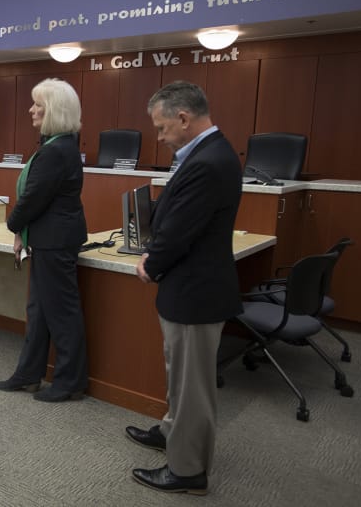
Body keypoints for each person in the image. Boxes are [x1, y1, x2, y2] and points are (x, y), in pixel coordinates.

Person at [128, 81, 242, 496]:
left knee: (192, 388)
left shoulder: (208, 162)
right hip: (193, 287)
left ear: (183, 118)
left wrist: (151, 263)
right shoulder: (208, 154)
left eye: (161, 128)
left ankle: (188, 470)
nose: (159, 137)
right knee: (180, 376)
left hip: (196, 291)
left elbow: (180, 230)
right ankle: (171, 432)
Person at [0, 78, 88, 402]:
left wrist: (13, 226)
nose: (31, 109)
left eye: (38, 105)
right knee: (39, 311)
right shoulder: (56, 145)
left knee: (61, 313)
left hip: (55, 241)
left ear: (54, 111)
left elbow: (33, 198)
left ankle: (70, 383)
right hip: (48, 239)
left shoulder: (56, 151)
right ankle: (29, 374)